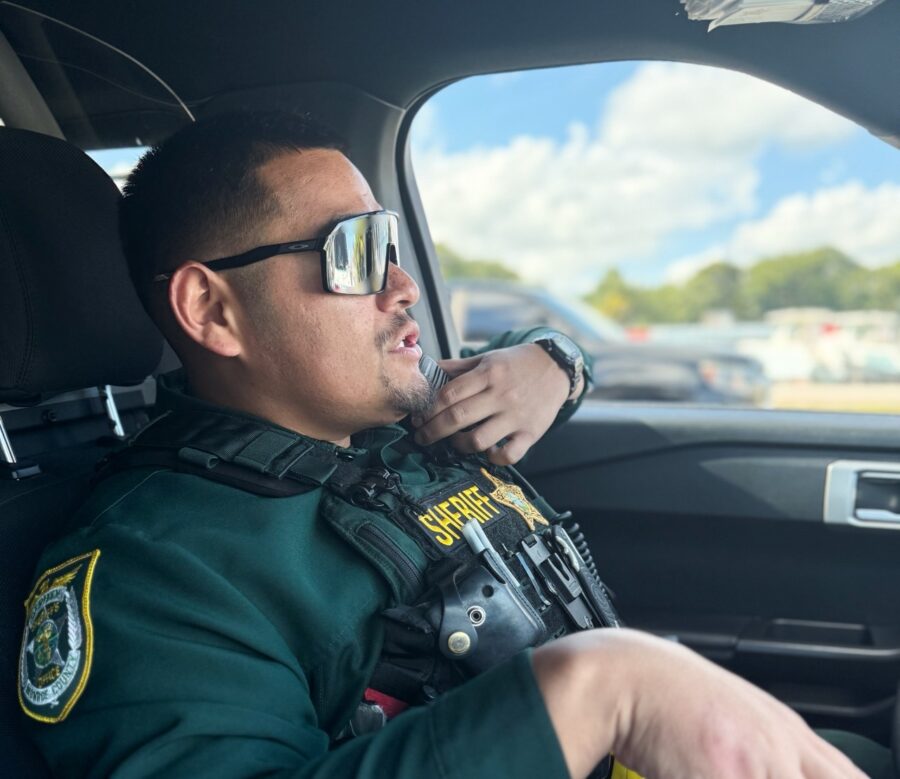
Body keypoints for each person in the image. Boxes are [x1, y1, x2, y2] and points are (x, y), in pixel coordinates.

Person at [17, 111, 888, 779]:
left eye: (390, 242)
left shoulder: (401, 423)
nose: (403, 286)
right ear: (213, 310)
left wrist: (559, 361)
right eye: (355, 252)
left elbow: (542, 375)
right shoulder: (155, 574)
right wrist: (599, 692)